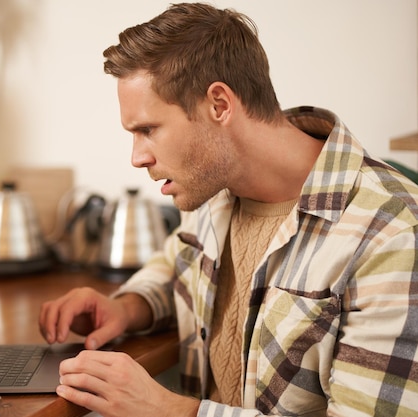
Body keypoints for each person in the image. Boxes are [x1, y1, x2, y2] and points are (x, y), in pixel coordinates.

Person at [39, 3, 418, 416]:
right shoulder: (214, 187)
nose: (137, 158)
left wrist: (169, 410)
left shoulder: (393, 236)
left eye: (147, 130)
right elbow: (177, 261)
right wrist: (128, 307)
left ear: (219, 105)